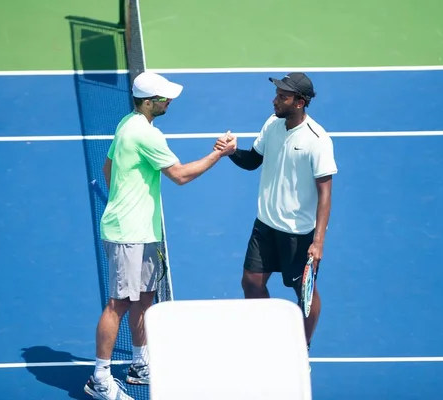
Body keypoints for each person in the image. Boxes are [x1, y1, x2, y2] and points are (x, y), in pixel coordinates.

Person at [85, 71, 237, 400]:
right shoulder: (146, 135)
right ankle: (99, 377)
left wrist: (124, 198)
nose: (169, 101)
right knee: (119, 304)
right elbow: (180, 176)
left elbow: (108, 169)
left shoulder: (128, 123)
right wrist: (218, 154)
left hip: (141, 229)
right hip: (128, 232)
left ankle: (140, 365)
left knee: (144, 298)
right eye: (164, 97)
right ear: (150, 101)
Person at [215, 72, 337, 351]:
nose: (275, 100)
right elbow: (252, 161)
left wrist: (317, 243)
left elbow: (325, 194)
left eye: (283, 96)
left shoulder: (317, 140)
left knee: (304, 296)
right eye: (277, 94)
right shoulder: (272, 124)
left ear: (299, 102)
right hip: (266, 225)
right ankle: (267, 337)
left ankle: (301, 347)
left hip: (298, 234)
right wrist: (232, 152)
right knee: (251, 283)